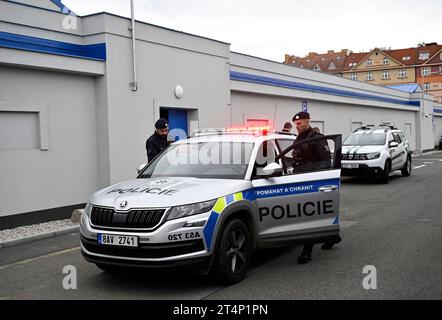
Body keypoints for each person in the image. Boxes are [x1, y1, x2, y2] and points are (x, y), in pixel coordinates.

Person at [291, 111, 340, 264]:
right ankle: (333, 236)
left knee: (309, 214)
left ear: (307, 121)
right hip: (300, 179)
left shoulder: (317, 139)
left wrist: (312, 174)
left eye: (299, 124)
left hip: (313, 180)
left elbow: (326, 160)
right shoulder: (299, 138)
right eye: (295, 124)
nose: (297, 127)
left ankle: (307, 252)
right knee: (314, 213)